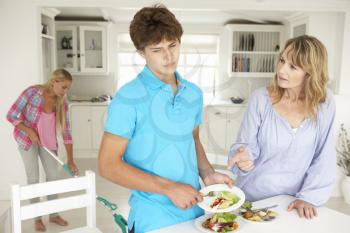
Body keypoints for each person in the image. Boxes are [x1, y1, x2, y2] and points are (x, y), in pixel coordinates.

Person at [98, 4, 233, 233]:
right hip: (152, 219)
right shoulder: (127, 98)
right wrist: (169, 188)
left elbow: (193, 139)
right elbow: (108, 165)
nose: (168, 56)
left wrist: (207, 173)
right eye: (157, 49)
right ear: (142, 53)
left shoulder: (193, 93)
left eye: (172, 45)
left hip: (195, 209)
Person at [228, 35, 336, 220]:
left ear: (310, 72)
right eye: (282, 60)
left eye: (293, 66)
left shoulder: (324, 102)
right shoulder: (260, 99)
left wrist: (308, 198)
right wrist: (243, 155)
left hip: (293, 203)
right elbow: (246, 145)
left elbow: (324, 155)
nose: (281, 70)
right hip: (253, 199)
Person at [7, 68, 79, 231]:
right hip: (27, 140)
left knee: (53, 176)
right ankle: (37, 217)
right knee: (33, 178)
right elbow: (11, 114)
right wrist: (30, 131)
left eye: (68, 88)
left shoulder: (63, 103)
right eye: (64, 87)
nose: (65, 91)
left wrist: (70, 159)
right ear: (54, 82)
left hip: (47, 142)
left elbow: (66, 132)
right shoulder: (32, 93)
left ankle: (53, 214)